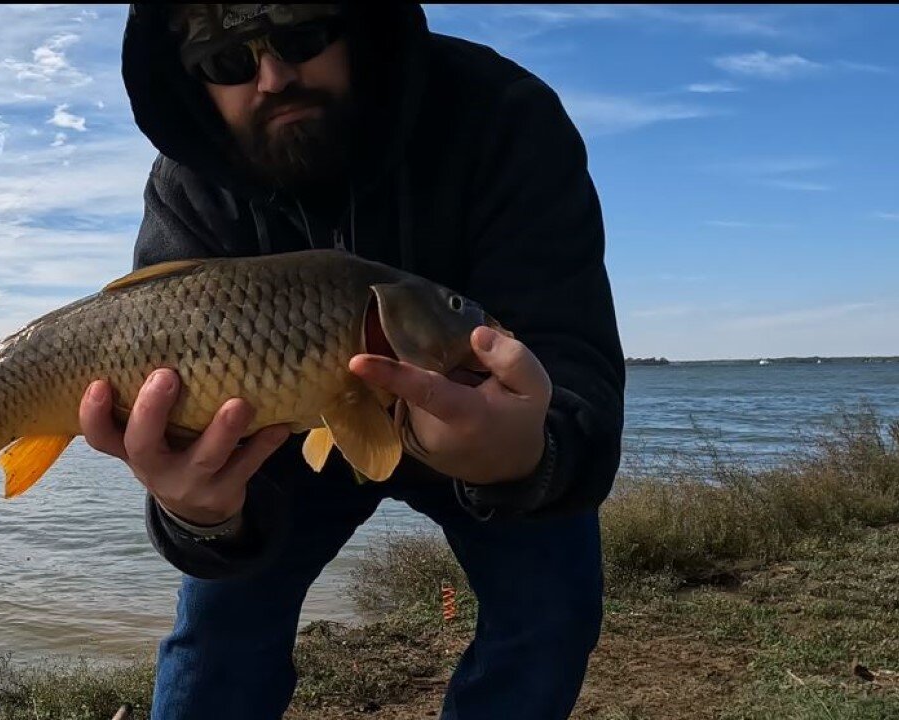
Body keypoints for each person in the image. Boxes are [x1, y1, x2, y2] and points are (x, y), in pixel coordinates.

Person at [79, 4, 625, 719]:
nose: (273, 77)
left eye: (303, 37)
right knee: (219, 632)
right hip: (274, 440)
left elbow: (569, 350)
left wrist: (530, 453)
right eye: (227, 61)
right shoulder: (192, 180)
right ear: (194, 81)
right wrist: (197, 513)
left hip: (485, 421)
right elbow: (170, 403)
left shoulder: (504, 115)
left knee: (552, 608)